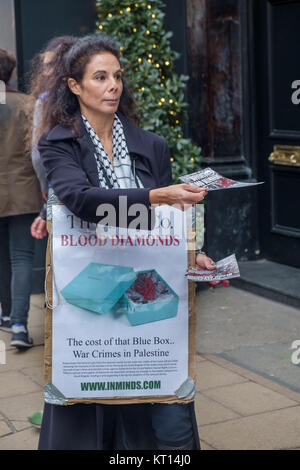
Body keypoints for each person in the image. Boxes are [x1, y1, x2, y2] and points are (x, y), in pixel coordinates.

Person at [36, 33, 215, 450]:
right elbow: (82, 201)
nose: (113, 85)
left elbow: (164, 222)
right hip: (90, 302)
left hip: (149, 296)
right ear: (75, 86)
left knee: (165, 429)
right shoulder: (59, 143)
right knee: (91, 422)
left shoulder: (150, 146)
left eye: (117, 76)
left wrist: (194, 254)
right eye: (100, 77)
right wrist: (158, 195)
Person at [0, 49, 42, 347]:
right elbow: (38, 153)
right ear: (11, 73)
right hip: (24, 192)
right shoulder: (28, 105)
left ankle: (5, 315)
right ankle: (18, 326)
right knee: (21, 257)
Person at [28, 36, 76, 240]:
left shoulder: (45, 102)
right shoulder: (90, 95)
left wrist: (44, 186)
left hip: (61, 187)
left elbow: (37, 153)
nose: (46, 71)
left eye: (50, 65)